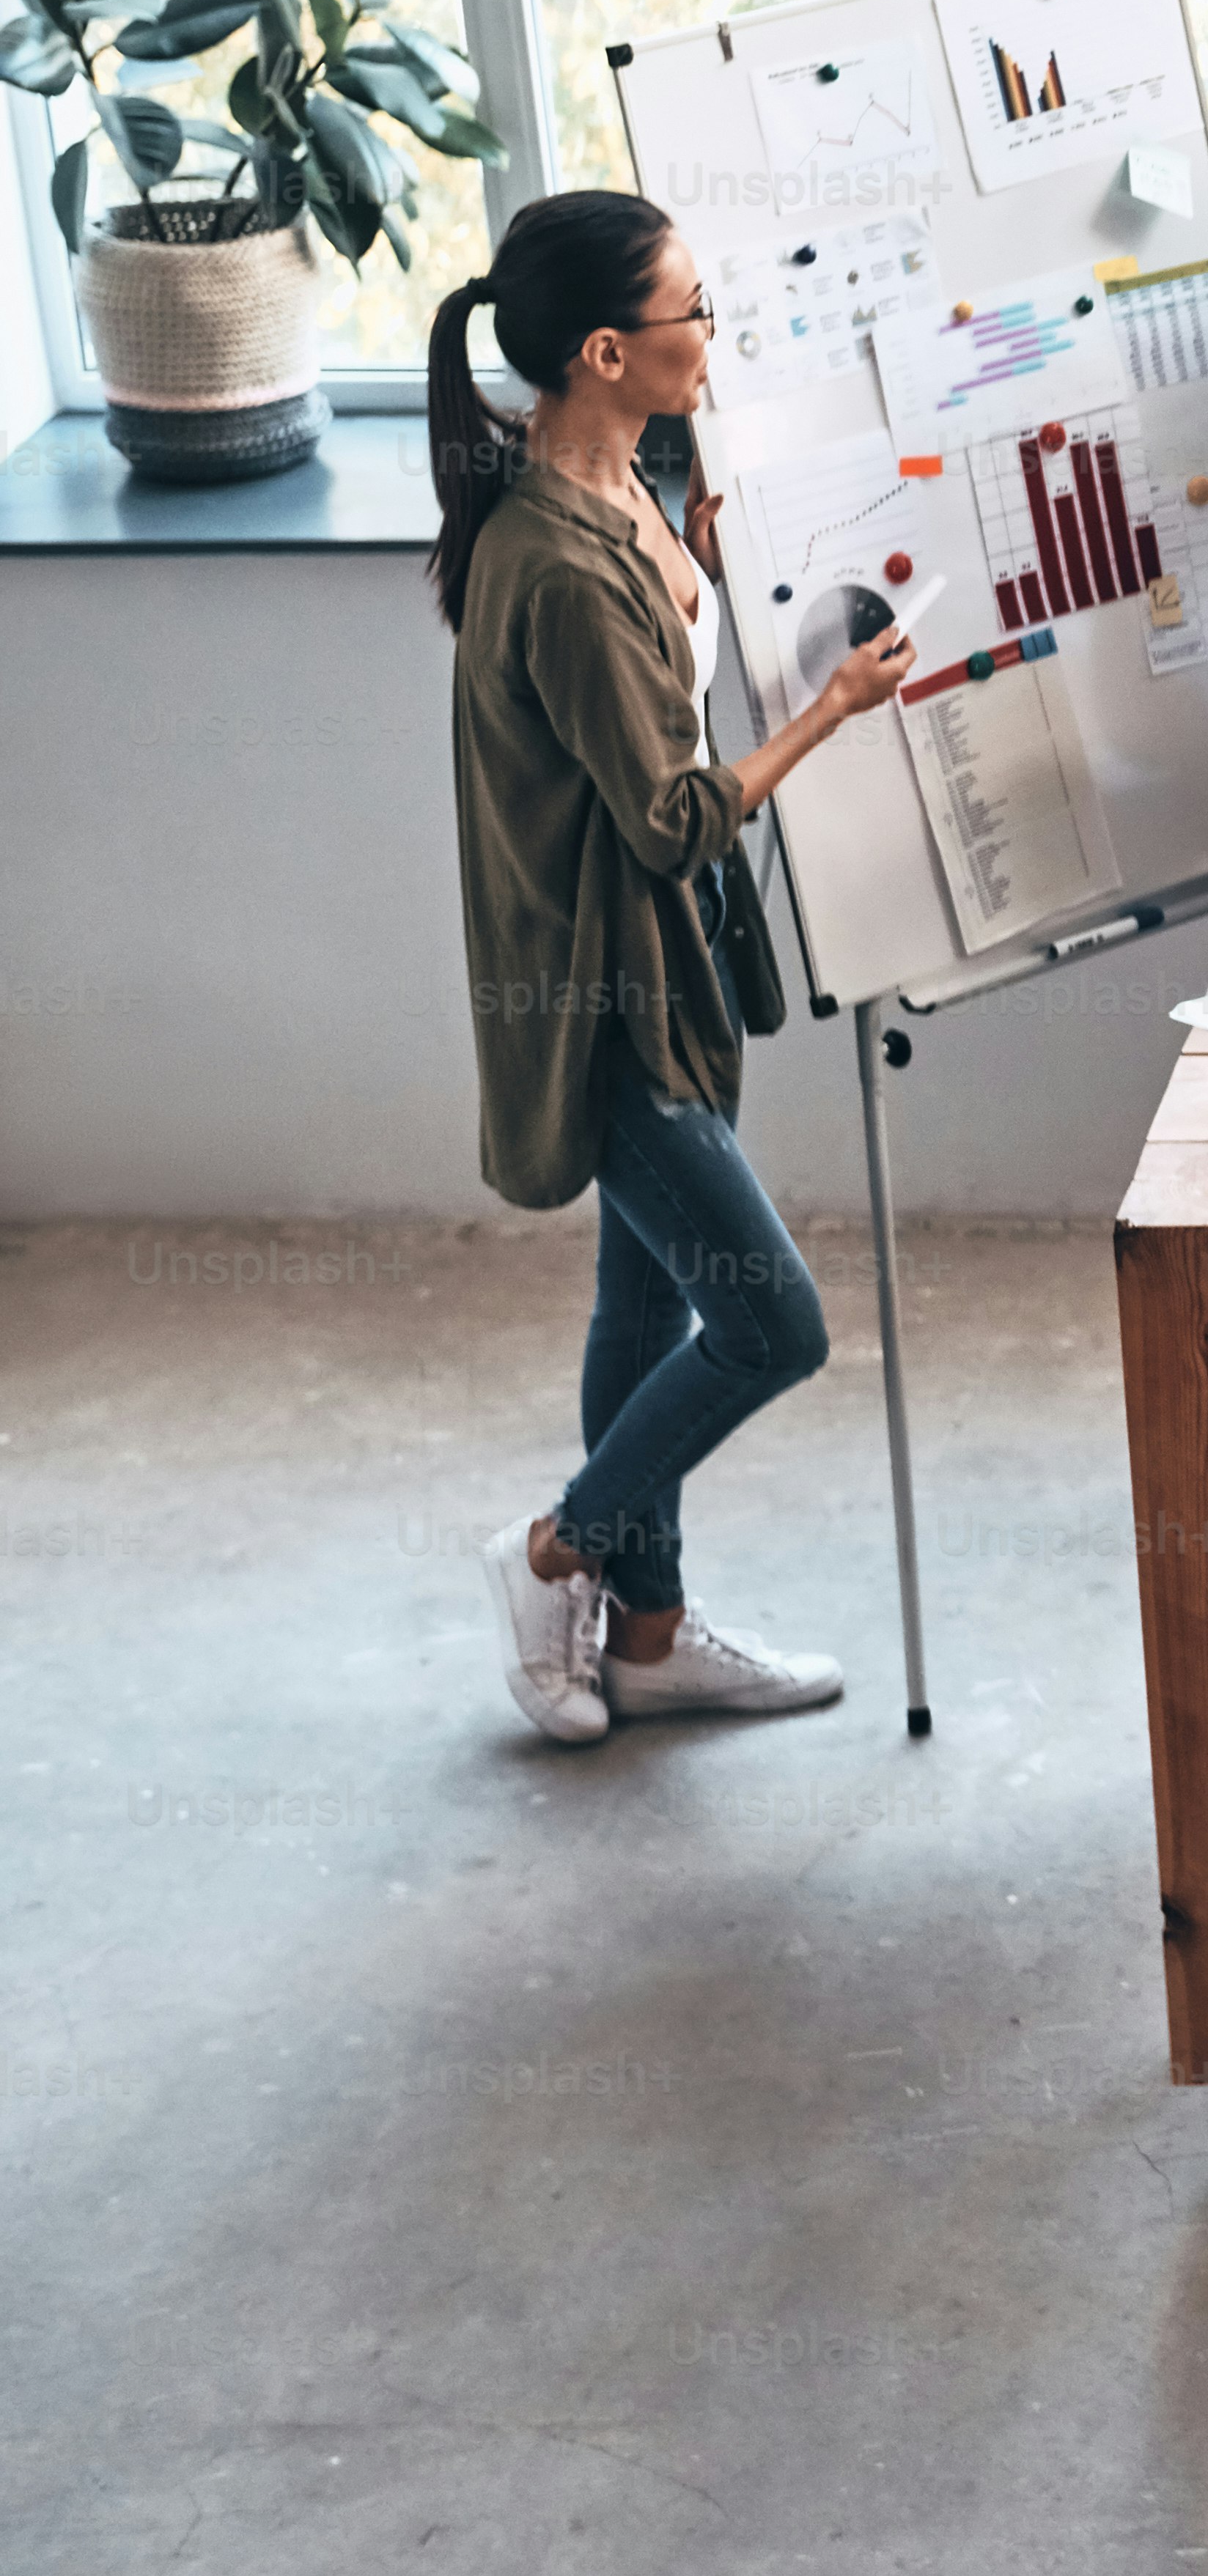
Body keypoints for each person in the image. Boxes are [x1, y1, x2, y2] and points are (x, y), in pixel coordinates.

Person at [440, 191, 920, 1746]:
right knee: (773, 1323)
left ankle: (645, 1636)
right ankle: (550, 1555)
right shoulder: (560, 563)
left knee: (638, 1313)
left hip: (668, 971)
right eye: (690, 312)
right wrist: (831, 708)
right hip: (606, 995)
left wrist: (706, 562)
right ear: (604, 351)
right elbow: (662, 820)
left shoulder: (623, 485)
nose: (713, 333)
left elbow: (663, 673)